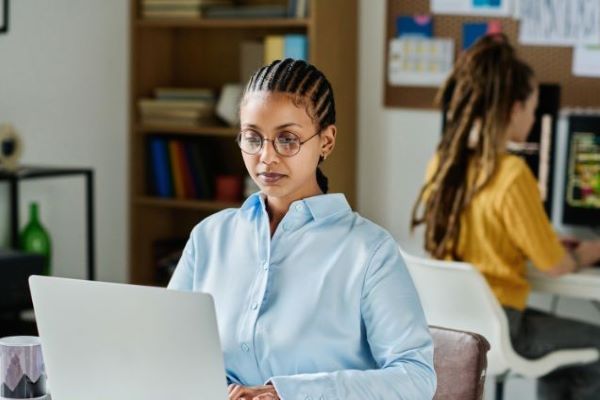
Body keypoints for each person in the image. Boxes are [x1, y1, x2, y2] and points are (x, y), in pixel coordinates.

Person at [169, 58, 436, 400]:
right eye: (253, 138)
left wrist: (288, 394)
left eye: (288, 139)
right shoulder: (209, 237)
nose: (266, 157)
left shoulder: (368, 251)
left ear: (326, 141)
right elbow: (171, 350)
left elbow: (416, 378)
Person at [411, 34, 600, 400]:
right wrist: (590, 251)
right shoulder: (512, 174)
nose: (532, 116)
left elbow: (485, 234)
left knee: (567, 355)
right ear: (513, 109)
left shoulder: (445, 163)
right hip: (502, 327)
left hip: (450, 329)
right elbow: (556, 265)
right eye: (531, 107)